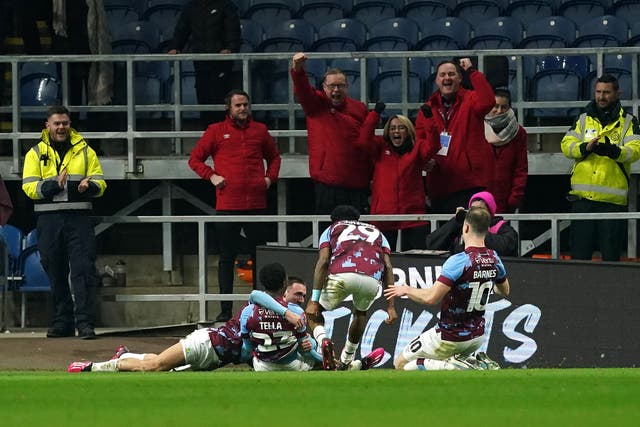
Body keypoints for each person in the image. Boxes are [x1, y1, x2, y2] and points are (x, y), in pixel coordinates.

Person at [67, 264, 304, 373]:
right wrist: (289, 315)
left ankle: (125, 355)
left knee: (161, 365)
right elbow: (256, 298)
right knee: (153, 368)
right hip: (207, 344)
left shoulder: (274, 312)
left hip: (215, 359)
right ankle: (93, 367)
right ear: (285, 285)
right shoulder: (255, 308)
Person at [188, 89, 281, 322]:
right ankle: (226, 310)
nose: (242, 109)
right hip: (227, 204)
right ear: (228, 108)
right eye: (238, 105)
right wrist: (211, 176)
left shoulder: (260, 130)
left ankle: (263, 308)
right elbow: (194, 159)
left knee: (259, 255)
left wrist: (269, 179)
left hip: (257, 204)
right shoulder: (216, 131)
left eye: (245, 105)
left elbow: (275, 157)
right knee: (226, 257)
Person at [384, 206, 510, 371]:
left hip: (450, 336)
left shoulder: (458, 261)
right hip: (477, 336)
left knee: (401, 364)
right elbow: (504, 291)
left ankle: (451, 365)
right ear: (487, 230)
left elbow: (431, 298)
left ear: (465, 228)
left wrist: (407, 289)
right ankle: (475, 362)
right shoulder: (494, 257)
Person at [22, 105, 107, 339]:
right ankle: (63, 322)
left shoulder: (85, 150)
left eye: (65, 123)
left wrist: (89, 187)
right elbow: (29, 188)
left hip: (79, 218)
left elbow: (101, 182)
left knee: (83, 271)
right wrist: (53, 185)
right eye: (57, 123)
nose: (61, 127)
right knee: (54, 270)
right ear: (47, 126)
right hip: (49, 220)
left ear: (70, 125)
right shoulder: (35, 153)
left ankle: (85, 324)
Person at [306, 205, 397, 371]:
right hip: (372, 278)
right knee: (360, 313)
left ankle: (323, 340)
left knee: (314, 312)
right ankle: (347, 359)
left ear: (334, 220)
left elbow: (324, 261)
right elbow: (388, 267)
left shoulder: (332, 228)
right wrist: (390, 306)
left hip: (342, 274)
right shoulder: (378, 232)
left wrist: (314, 300)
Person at [561, 74, 640, 262]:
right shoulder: (582, 119)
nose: (601, 96)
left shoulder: (629, 121)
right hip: (582, 201)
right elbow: (566, 144)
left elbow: (635, 151)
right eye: (598, 92)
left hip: (612, 204)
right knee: (579, 259)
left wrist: (614, 152)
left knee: (611, 260)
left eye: (606, 92)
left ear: (617, 93)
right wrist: (584, 148)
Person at [291, 52, 372, 215]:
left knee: (357, 235)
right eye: (332, 86)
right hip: (327, 184)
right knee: (327, 233)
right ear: (324, 87)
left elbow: (367, 143)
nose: (336, 90)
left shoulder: (360, 108)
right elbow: (303, 90)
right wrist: (297, 69)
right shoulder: (315, 104)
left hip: (357, 183)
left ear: (347, 87)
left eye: (341, 86)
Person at [416, 57, 495, 214]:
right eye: (442, 75)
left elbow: (488, 101)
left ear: (460, 78)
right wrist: (426, 159)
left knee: (469, 236)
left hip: (469, 184)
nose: (447, 78)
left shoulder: (471, 99)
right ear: (437, 80)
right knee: (443, 236)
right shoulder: (427, 108)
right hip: (439, 184)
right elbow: (420, 140)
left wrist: (472, 72)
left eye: (451, 74)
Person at [358, 102, 440, 251]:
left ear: (408, 131)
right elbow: (363, 140)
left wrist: (429, 118)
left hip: (413, 215)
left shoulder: (417, 148)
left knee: (417, 260)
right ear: (388, 132)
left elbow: (434, 144)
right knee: (382, 259)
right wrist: (375, 114)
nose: (396, 131)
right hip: (383, 215)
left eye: (401, 127)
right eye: (392, 128)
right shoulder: (380, 148)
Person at [167, 0, 241, 125]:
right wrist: (175, 46)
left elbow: (233, 31)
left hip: (222, 63)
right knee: (203, 97)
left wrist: (230, 49)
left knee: (222, 99)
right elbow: (182, 29)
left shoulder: (226, 5)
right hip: (200, 63)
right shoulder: (190, 7)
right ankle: (208, 133)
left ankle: (226, 135)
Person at [240, 262, 321, 372]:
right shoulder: (296, 312)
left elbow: (248, 348)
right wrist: (323, 358)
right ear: (285, 284)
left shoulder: (248, 311)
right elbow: (306, 349)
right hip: (291, 366)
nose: (302, 299)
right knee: (311, 343)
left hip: (261, 366)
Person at [425, 191, 519, 257]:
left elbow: (503, 249)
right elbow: (432, 244)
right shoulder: (464, 227)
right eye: (473, 210)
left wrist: (477, 229)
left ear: (490, 213)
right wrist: (456, 222)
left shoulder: (503, 229)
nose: (476, 213)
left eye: (480, 210)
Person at [484, 88, 528, 213]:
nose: (499, 111)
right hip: (479, 199)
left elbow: (521, 168)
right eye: (495, 106)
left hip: (505, 201)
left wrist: (515, 197)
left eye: (504, 107)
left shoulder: (519, 133)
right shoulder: (476, 129)